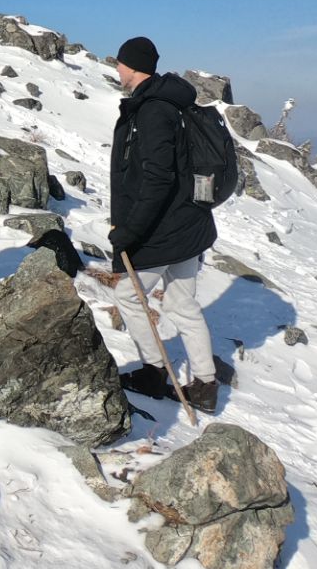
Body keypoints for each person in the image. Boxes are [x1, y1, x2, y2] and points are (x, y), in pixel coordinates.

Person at [107, 35, 222, 413]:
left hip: (165, 228)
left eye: (120, 63)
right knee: (181, 302)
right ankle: (204, 384)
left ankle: (154, 372)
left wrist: (129, 232)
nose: (117, 69)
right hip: (188, 222)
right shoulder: (164, 102)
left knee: (127, 295)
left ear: (133, 66)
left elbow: (156, 179)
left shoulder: (154, 111)